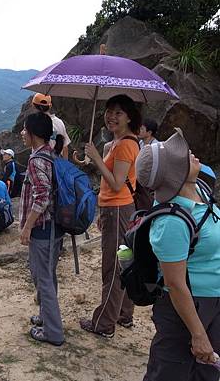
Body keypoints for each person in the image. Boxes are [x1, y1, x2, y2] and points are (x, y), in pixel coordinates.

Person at [136, 129, 220, 380]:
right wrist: (198, 334)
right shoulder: (170, 221)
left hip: (212, 302)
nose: (191, 154)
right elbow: (175, 284)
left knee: (206, 374)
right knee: (169, 373)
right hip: (188, 309)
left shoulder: (200, 190)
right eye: (182, 156)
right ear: (175, 174)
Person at [77, 94, 141, 338]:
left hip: (118, 209)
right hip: (113, 209)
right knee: (123, 261)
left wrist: (95, 158)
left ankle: (104, 324)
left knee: (113, 268)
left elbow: (115, 183)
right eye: (109, 111)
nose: (111, 116)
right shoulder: (116, 142)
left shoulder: (126, 144)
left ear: (129, 117)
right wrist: (91, 160)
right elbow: (110, 175)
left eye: (118, 112)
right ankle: (124, 314)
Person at [18, 112, 66, 346]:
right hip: (53, 228)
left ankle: (53, 332)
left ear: (35, 134)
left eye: (25, 130)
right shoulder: (50, 154)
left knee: (43, 279)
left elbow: (42, 197)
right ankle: (47, 318)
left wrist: (27, 227)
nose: (22, 133)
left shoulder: (37, 161)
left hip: (44, 229)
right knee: (47, 276)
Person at [32, 93, 71, 159]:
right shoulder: (59, 122)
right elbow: (65, 148)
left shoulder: (34, 124)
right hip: (57, 163)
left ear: (33, 106)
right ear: (50, 106)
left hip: (40, 163)